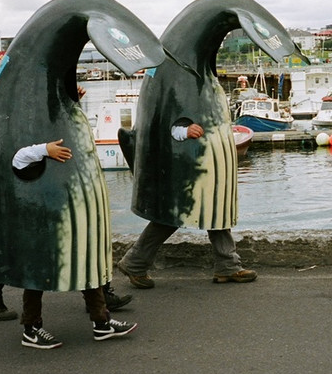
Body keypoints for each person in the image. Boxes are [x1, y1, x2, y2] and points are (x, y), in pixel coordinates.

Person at [13, 139, 138, 349]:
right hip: (43, 223)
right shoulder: (39, 143)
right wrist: (45, 150)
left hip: (72, 218)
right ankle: (31, 329)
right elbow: (17, 161)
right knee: (37, 276)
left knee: (87, 267)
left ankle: (102, 322)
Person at [116, 119, 257, 289]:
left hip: (204, 155)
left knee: (214, 207)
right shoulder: (168, 91)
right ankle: (135, 261)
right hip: (182, 160)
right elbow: (164, 120)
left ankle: (227, 265)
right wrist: (183, 131)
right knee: (174, 213)